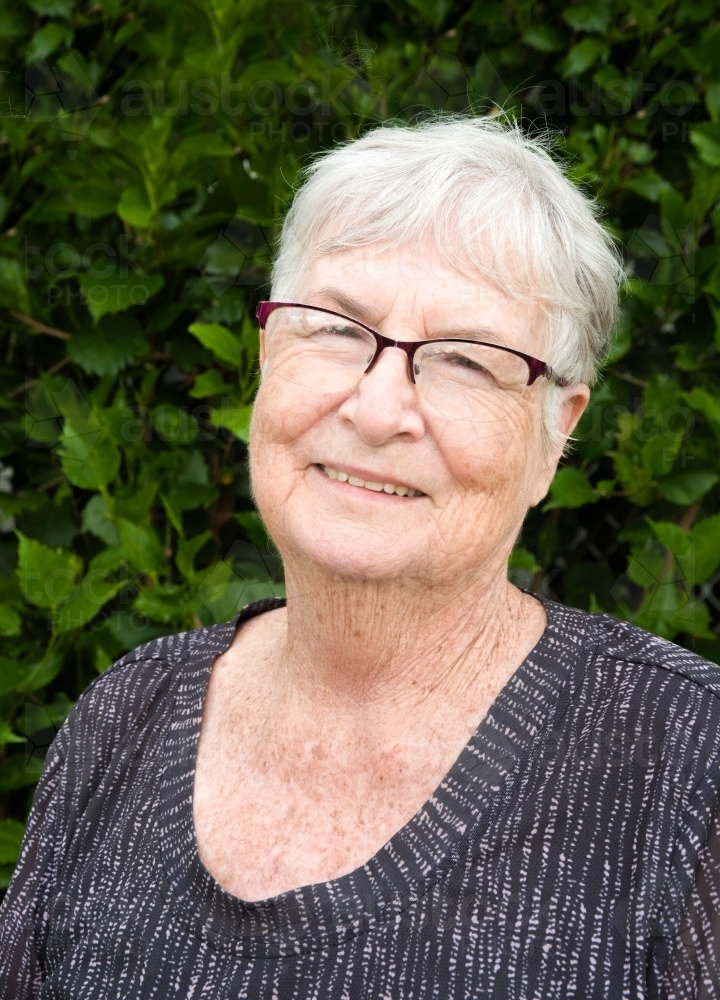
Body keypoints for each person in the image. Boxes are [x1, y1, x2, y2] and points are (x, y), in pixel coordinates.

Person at [1, 117, 718, 1000]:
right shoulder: (124, 718)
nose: (377, 412)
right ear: (267, 356)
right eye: (338, 328)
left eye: (466, 360)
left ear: (555, 435)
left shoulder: (688, 765)